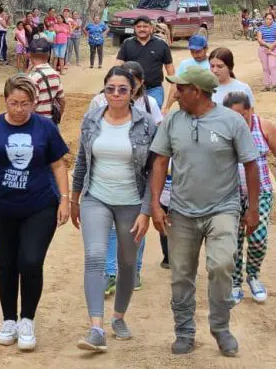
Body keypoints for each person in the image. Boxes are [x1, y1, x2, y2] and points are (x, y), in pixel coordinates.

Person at [149, 66, 260, 357]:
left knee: (222, 265)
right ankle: (184, 332)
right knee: (181, 274)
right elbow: (160, 161)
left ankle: (221, 329)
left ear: (196, 92)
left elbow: (250, 165)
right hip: (182, 211)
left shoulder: (231, 122)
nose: (176, 92)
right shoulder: (173, 120)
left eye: (180, 88)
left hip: (223, 208)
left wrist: (253, 210)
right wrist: (155, 204)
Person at [0, 74, 70, 351]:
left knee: (31, 262)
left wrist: (65, 199)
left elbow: (58, 165)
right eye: (13, 103)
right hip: (1, 207)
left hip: (39, 205)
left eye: (25, 103)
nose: (19, 109)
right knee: (7, 265)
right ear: (5, 101)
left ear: (34, 103)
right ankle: (9, 319)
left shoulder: (45, 127)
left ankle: (27, 320)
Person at [72, 66, 156, 352]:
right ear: (104, 90)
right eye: (110, 89)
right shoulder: (92, 120)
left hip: (132, 202)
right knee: (95, 256)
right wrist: (74, 199)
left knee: (128, 263)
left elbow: (153, 171)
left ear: (133, 91)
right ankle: (97, 328)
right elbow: (82, 162)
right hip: (96, 198)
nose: (116, 94)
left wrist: (147, 210)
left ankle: (118, 316)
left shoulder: (146, 124)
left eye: (122, 89)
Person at [88, 61, 161, 293]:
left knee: (135, 230)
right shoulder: (99, 103)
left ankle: (134, 270)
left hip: (136, 183)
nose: (117, 92)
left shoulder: (149, 106)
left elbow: (157, 144)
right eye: (112, 87)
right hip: (106, 184)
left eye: (126, 84)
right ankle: (110, 273)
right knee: (110, 230)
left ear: (138, 84)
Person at [223, 92, 275, 305]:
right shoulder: (222, 130)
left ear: (250, 110)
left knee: (258, 237)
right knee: (232, 240)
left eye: (242, 116)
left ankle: (253, 275)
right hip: (230, 193)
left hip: (261, 191)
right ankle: (235, 282)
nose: (239, 122)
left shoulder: (264, 127)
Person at [115, 15, 175, 108]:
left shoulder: (161, 45)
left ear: (151, 28)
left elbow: (170, 69)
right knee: (131, 117)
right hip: (132, 90)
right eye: (139, 26)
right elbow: (118, 65)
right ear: (135, 28)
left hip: (155, 90)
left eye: (145, 26)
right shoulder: (127, 44)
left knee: (153, 119)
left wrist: (174, 85)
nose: (142, 29)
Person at [162, 35, 209, 115]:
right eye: (192, 52)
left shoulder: (213, 64)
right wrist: (167, 107)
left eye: (198, 51)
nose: (195, 55)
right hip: (188, 107)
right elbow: (175, 87)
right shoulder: (184, 64)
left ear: (206, 49)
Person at [28, 38, 66, 124]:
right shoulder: (55, 74)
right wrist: (59, 115)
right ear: (48, 54)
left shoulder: (32, 78)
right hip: (51, 120)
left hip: (37, 121)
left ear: (29, 55)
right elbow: (62, 100)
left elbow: (32, 105)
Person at [256, 12, 276, 91]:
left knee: (273, 66)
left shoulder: (275, 26)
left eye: (270, 19)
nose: (269, 21)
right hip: (263, 49)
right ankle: (267, 86)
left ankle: (275, 85)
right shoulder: (260, 28)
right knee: (265, 67)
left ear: (273, 19)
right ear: (265, 19)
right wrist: (267, 45)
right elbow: (259, 40)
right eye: (267, 19)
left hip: (273, 48)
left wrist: (271, 48)